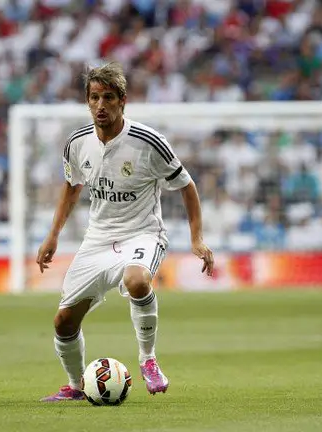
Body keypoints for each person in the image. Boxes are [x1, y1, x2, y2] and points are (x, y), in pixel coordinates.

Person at [37, 62, 214, 401]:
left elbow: (186, 186)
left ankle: (148, 360)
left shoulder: (149, 141)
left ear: (122, 101)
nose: (100, 105)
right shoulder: (77, 142)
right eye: (93, 98)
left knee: (137, 281)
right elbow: (72, 186)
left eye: (107, 98)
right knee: (63, 321)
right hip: (98, 239)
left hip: (142, 234)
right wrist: (53, 235)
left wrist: (197, 238)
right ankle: (76, 387)